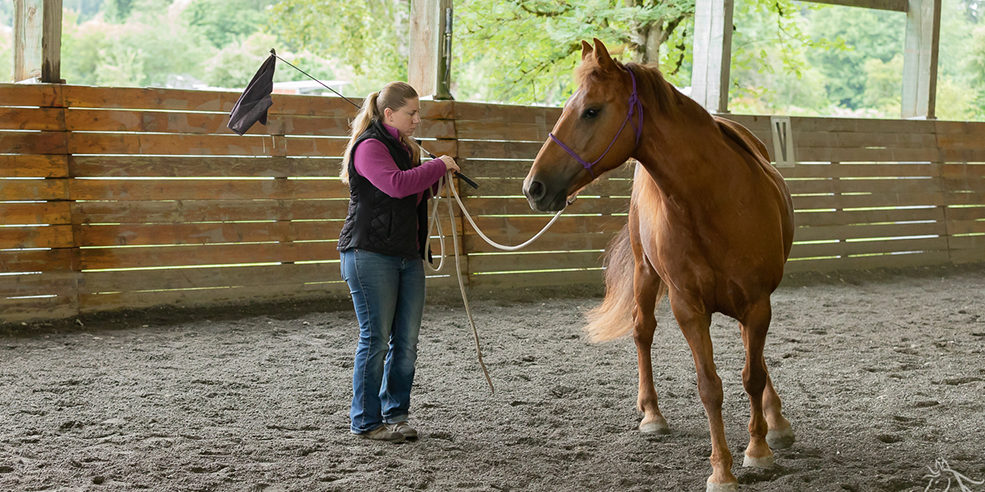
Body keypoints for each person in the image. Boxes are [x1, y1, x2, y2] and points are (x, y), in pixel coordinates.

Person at [337, 82, 460, 442]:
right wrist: (436, 166)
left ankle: (396, 414)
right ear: (389, 114)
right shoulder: (370, 146)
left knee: (405, 342)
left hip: (406, 254)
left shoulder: (405, 150)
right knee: (376, 340)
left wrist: (434, 178)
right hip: (368, 255)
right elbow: (395, 186)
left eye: (418, 113)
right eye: (412, 113)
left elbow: (410, 192)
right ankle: (366, 421)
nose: (418, 120)